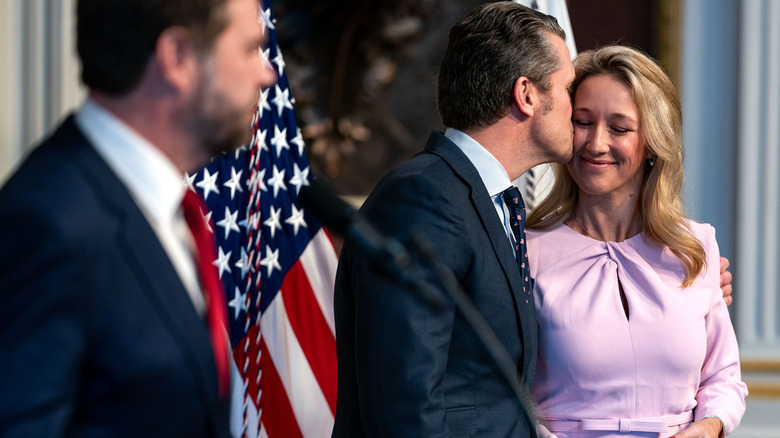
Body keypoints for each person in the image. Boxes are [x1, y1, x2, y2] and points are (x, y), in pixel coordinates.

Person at [0, 0, 276, 436]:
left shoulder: (167, 209)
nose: (267, 73)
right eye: (248, 49)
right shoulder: (46, 222)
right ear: (177, 57)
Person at [332, 2, 575, 436]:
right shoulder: (422, 198)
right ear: (527, 95)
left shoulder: (491, 202)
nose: (575, 109)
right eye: (568, 89)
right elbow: (403, 406)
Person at [526, 45, 747, 438]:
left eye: (619, 127)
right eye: (582, 121)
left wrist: (710, 427)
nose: (595, 143)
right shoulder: (525, 250)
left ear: (651, 141)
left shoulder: (696, 246)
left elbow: (724, 377)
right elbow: (501, 387)